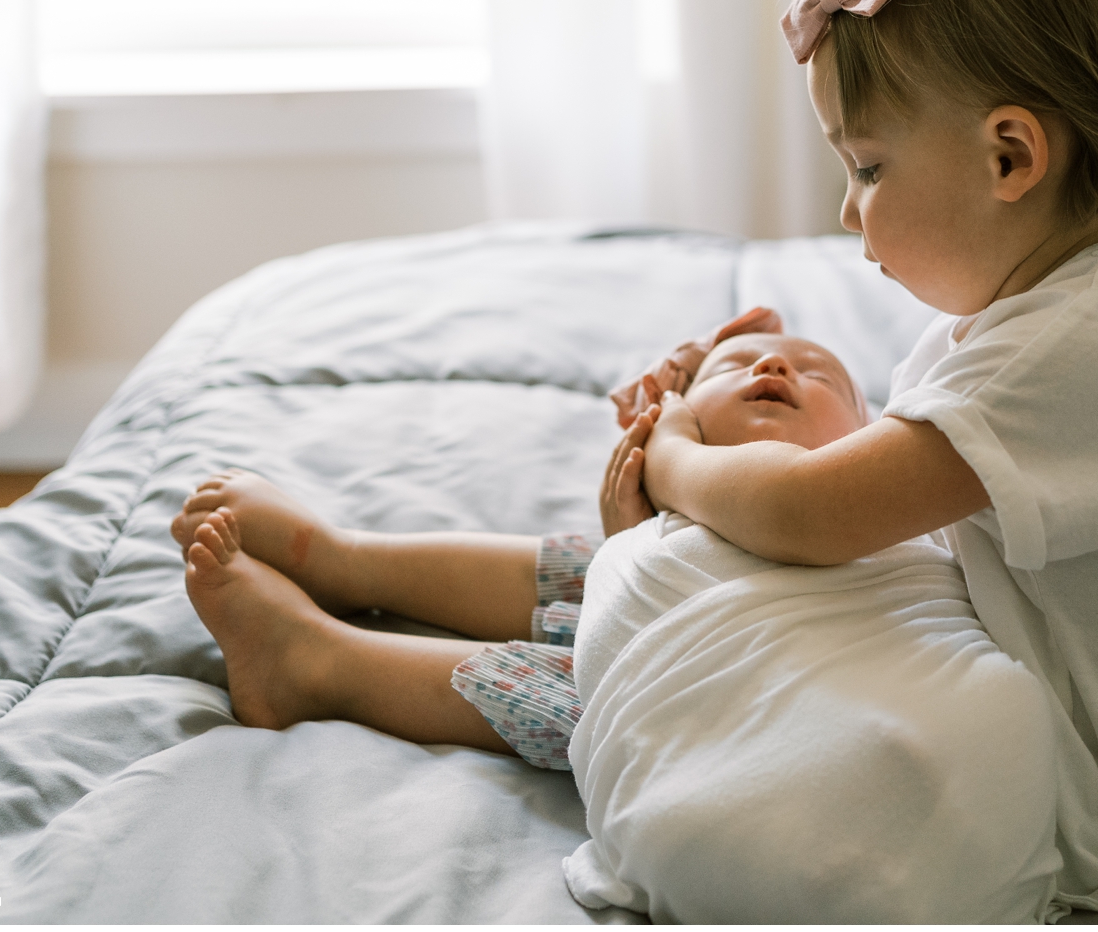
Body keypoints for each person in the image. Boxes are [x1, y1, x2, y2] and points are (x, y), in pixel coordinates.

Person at [625, 0, 1098, 907]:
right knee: (698, 577)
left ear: (1008, 155)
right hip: (1085, 709)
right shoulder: (1068, 308)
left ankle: (347, 654)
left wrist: (675, 459)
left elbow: (815, 513)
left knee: (705, 612)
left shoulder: (1072, 349)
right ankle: (369, 594)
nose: (848, 212)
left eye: (867, 167)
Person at [173, 317, 868, 770]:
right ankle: (345, 561)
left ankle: (314, 663)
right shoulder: (687, 485)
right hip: (673, 615)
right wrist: (633, 531)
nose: (775, 365)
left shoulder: (880, 511)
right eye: (734, 368)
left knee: (594, 697)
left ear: (868, 437)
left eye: (822, 376)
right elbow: (644, 595)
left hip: (743, 706)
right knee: (585, 572)